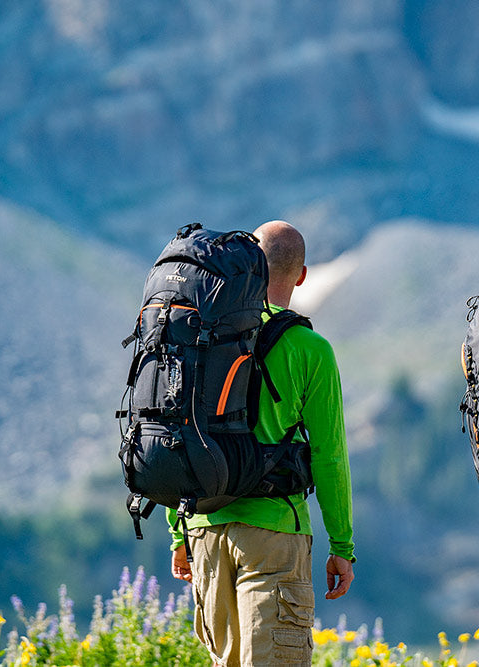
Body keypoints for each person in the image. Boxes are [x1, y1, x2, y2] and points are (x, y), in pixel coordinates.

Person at [169, 220, 355, 667]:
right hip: (274, 532)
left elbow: (175, 428)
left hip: (205, 530)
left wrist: (179, 532)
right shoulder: (310, 349)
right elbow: (328, 455)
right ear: (302, 275)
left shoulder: (204, 333)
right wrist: (341, 547)